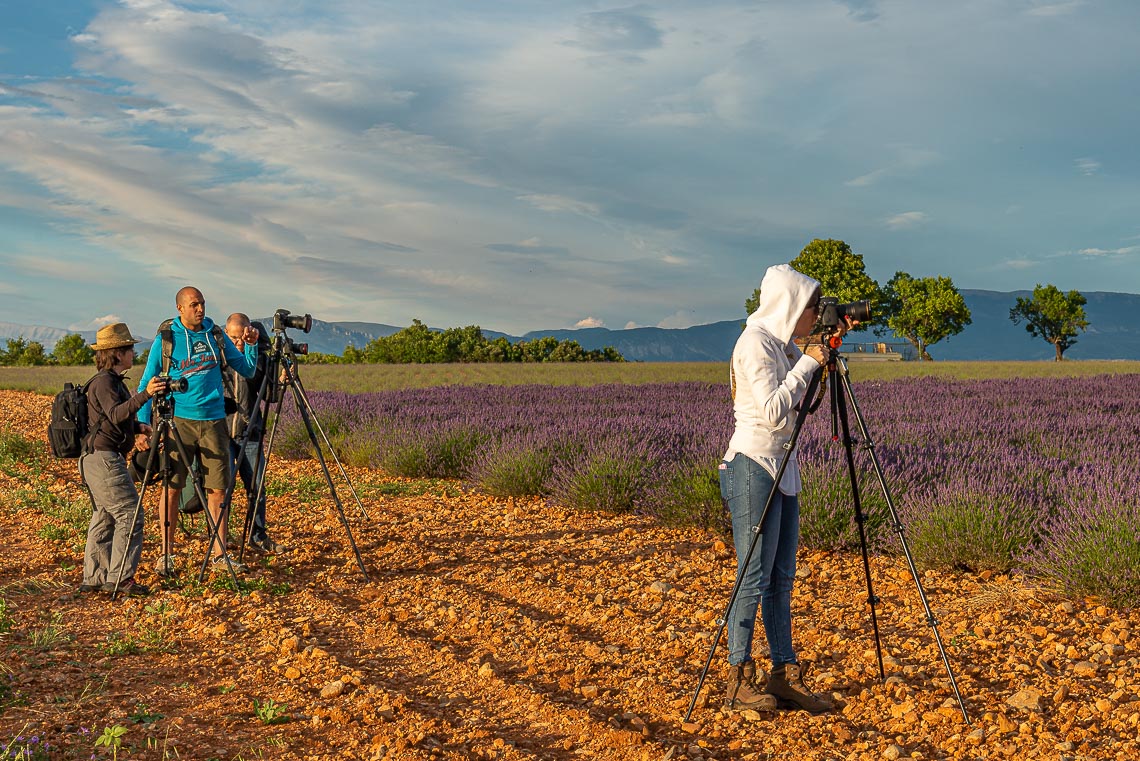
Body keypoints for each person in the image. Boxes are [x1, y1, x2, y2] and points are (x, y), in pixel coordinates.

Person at [719, 263, 852, 714]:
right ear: (790, 306)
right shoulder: (754, 344)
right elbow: (775, 412)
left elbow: (801, 397)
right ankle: (738, 677)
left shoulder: (780, 346)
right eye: (812, 308)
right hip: (753, 465)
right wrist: (811, 360)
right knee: (753, 577)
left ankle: (782, 673)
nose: (816, 317)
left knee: (781, 578)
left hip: (782, 467)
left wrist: (820, 356)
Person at [136, 286, 259, 576]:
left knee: (218, 489)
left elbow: (247, 369)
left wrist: (251, 345)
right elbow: (145, 384)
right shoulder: (166, 340)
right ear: (180, 308)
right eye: (194, 305)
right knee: (172, 487)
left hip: (215, 421)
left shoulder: (215, 334)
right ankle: (166, 555)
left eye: (202, 303)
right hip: (177, 421)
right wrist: (142, 427)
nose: (200, 309)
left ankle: (220, 555)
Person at [78, 323, 166, 597]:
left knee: (105, 516)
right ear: (117, 353)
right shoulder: (105, 382)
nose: (133, 354)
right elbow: (115, 414)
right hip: (104, 459)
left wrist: (137, 428)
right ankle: (120, 579)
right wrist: (147, 394)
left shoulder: (110, 381)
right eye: (129, 349)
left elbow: (109, 419)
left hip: (97, 457)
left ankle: (95, 577)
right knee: (130, 513)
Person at [224, 312, 283, 553]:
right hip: (222, 432)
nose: (238, 343)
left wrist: (277, 379)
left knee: (256, 486)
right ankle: (220, 537)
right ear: (226, 335)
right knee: (221, 488)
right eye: (234, 338)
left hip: (251, 430)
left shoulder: (258, 359)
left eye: (242, 337)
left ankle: (257, 535)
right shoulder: (218, 359)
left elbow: (270, 396)